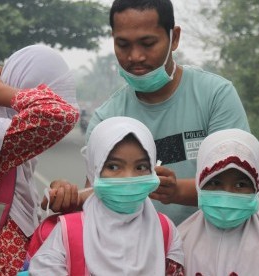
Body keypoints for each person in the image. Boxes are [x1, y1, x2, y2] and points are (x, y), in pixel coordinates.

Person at [80, 0, 250, 225]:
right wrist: (66, 197)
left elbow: (241, 184)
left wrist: (177, 191)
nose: (135, 57)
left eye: (148, 43)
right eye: (123, 44)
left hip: (208, 249)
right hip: (134, 254)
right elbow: (94, 197)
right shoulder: (106, 118)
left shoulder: (215, 95)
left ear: (174, 38)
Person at [0, 44, 80, 275]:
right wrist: (3, 93)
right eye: (41, 94)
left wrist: (52, 199)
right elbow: (64, 115)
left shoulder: (5, 135)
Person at [28, 116, 185, 275]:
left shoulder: (166, 231)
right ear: (94, 169)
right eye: (114, 166)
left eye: (141, 167)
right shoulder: (66, 232)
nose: (128, 177)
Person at [178, 128, 259, 275]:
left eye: (240, 185)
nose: (227, 194)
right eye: (215, 183)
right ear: (199, 184)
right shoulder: (180, 241)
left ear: (256, 188)